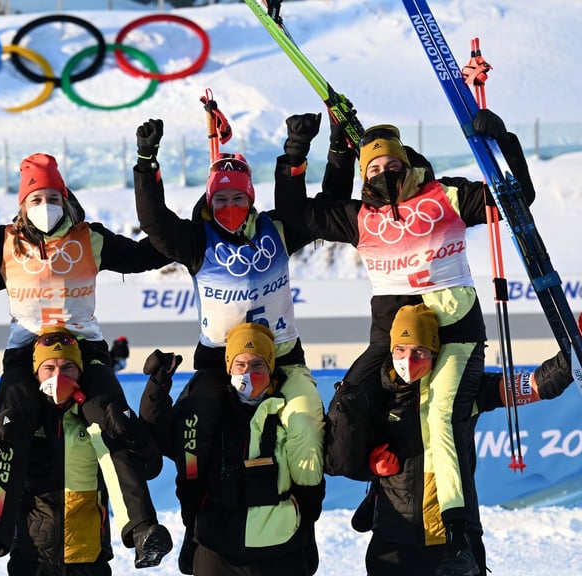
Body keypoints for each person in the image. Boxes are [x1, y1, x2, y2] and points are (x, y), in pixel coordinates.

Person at [275, 108, 536, 575]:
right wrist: (297, 152)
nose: (382, 171)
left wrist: (503, 139)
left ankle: (457, 536)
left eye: (389, 163)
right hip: (393, 338)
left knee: (439, 417)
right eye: (372, 167)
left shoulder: (445, 195)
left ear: (406, 161)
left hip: (454, 332)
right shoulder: (362, 217)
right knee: (351, 401)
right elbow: (297, 213)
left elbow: (519, 198)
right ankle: (373, 493)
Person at [0, 153, 173, 575]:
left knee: (107, 419)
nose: (45, 204)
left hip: (84, 351)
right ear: (23, 203)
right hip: (26, 355)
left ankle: (144, 529)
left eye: (53, 196)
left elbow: (144, 255)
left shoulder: (89, 238)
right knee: (7, 426)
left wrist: (188, 235)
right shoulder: (4, 242)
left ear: (66, 198)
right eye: (36, 197)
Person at [132, 117, 326, 573]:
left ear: (251, 199)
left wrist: (295, 153)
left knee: (303, 423)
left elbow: (298, 208)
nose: (231, 205)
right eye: (221, 197)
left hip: (282, 359)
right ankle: (196, 529)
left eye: (239, 197)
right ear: (209, 200)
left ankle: (303, 526)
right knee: (194, 433)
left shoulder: (276, 230)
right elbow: (153, 221)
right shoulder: (198, 238)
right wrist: (146, 163)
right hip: (221, 363)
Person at [326, 305, 582, 576]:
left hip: (455, 544)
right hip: (393, 538)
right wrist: (371, 467)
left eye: (420, 351)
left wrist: (579, 349)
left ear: (436, 353)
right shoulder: (376, 394)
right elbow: (345, 453)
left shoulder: (463, 390)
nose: (408, 361)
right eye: (401, 350)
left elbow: (534, 386)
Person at [140, 323, 324, 576]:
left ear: (271, 367)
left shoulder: (288, 414)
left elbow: (311, 477)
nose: (249, 372)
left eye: (258, 364)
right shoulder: (208, 414)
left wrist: (307, 533)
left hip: (280, 549)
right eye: (241, 364)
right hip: (217, 549)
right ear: (229, 368)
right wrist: (157, 386)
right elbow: (162, 437)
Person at [0, 326, 168, 575]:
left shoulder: (97, 418)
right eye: (49, 368)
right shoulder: (25, 419)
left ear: (80, 371)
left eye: (67, 367)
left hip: (88, 557)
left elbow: (149, 466)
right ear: (36, 374)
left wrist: (133, 427)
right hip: (31, 559)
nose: (58, 376)